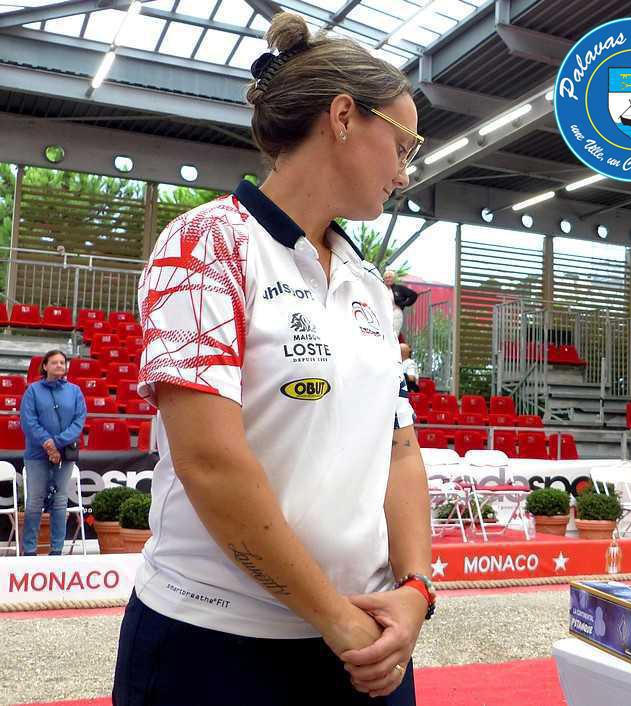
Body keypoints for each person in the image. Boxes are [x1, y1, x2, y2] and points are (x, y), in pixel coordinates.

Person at [112, 13, 432, 706]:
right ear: (344, 116)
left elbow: (400, 449)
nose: (405, 172)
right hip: (217, 650)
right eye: (403, 143)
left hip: (369, 644)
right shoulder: (207, 244)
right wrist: (337, 620)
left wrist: (414, 591)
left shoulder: (368, 283)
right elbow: (211, 463)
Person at [19, 349, 86, 556]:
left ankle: (56, 551)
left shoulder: (75, 391)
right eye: (55, 362)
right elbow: (28, 421)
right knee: (34, 502)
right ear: (45, 366)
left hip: (64, 456)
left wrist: (57, 443)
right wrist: (48, 444)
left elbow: (79, 421)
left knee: (60, 502)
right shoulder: (32, 391)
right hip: (37, 455)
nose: (59, 365)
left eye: (62, 362)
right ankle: (29, 551)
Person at [384, 269, 419, 339]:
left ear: (393, 279)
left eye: (389, 277)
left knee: (393, 334)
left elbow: (413, 295)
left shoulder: (399, 288)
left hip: (396, 312)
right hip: (384, 314)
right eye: (386, 277)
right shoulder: (382, 289)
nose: (388, 279)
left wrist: (404, 304)